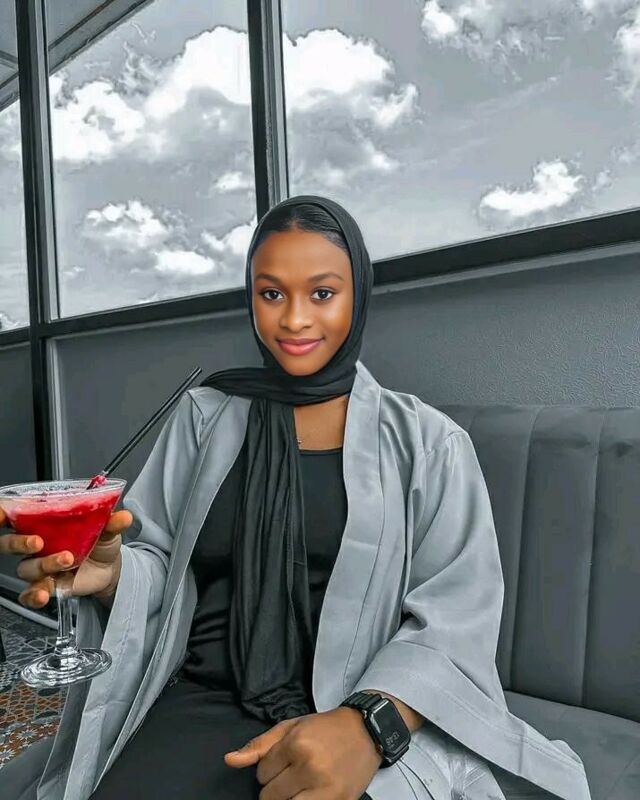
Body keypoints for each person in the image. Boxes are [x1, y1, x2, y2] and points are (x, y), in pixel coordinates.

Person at [0, 196, 592, 800]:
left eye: (323, 293)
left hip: (351, 710)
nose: (295, 319)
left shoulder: (429, 443)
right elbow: (163, 566)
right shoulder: (203, 417)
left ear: (358, 296)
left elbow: (457, 618)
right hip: (200, 697)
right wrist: (113, 576)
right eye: (272, 293)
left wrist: (369, 726)